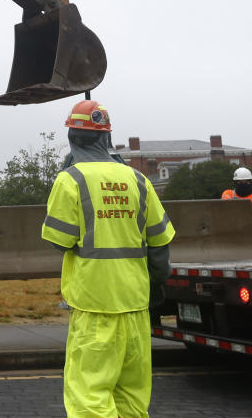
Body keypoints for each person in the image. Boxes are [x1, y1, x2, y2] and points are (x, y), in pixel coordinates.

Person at [42, 99, 176, 418]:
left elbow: (59, 242)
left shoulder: (70, 180)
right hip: (135, 304)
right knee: (131, 396)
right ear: (107, 137)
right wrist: (157, 284)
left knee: (88, 396)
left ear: (72, 137)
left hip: (94, 306)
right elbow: (160, 245)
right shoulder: (139, 180)